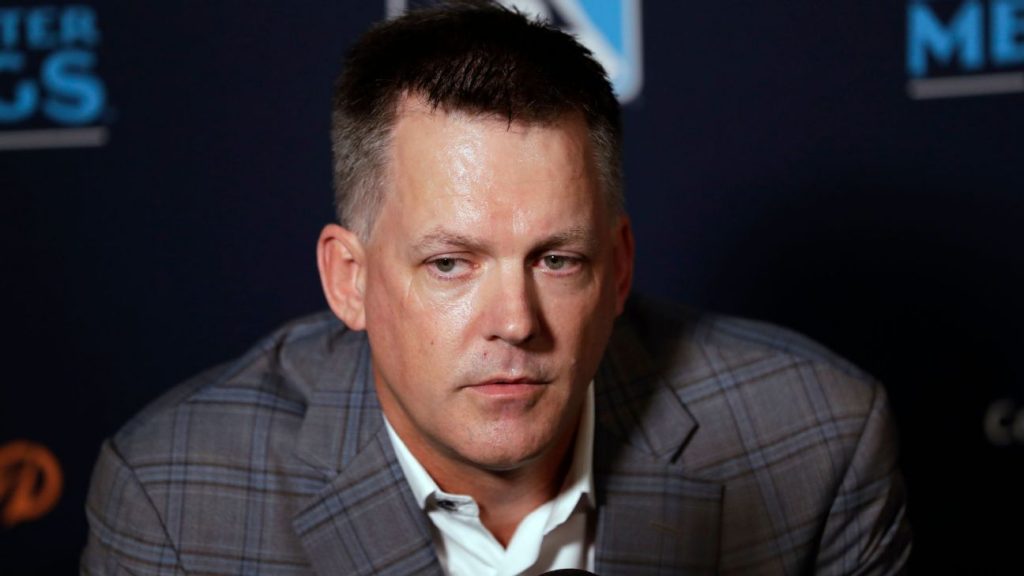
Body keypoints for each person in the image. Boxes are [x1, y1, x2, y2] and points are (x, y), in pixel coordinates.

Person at [82, 2, 910, 574]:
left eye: (558, 260)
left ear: (619, 269)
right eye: (451, 264)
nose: (515, 323)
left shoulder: (813, 441)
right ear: (350, 280)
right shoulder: (178, 501)